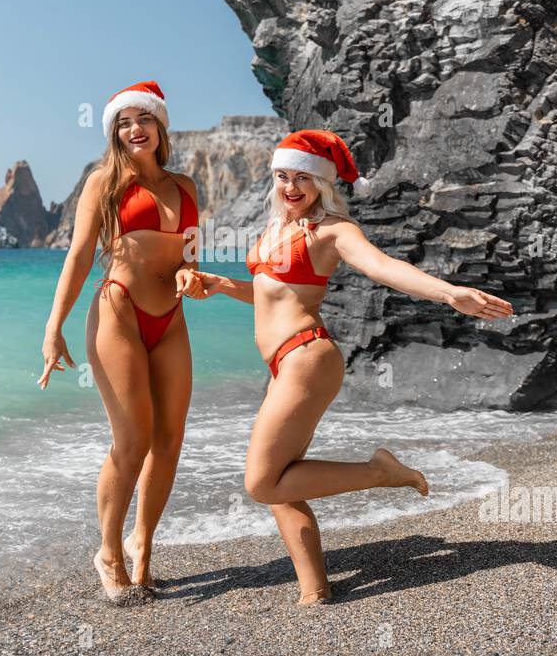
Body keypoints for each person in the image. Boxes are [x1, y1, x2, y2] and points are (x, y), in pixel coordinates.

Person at [182, 129, 515, 604]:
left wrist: (449, 293)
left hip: (307, 358)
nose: (291, 186)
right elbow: (269, 294)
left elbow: (383, 267)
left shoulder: (334, 230)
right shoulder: (276, 228)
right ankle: (315, 589)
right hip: (284, 364)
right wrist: (217, 283)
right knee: (281, 477)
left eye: (303, 177)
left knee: (260, 482)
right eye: (282, 176)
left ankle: (381, 472)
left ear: (322, 183)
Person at [39, 81, 206, 604]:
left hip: (171, 320)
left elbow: (191, 256)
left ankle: (144, 546)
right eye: (124, 123)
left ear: (161, 126)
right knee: (132, 440)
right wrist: (53, 327)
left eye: (144, 120)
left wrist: (191, 276)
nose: (135, 130)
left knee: (170, 440)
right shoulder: (103, 182)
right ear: (115, 132)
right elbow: (79, 256)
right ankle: (107, 552)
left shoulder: (187, 187)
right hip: (119, 313)